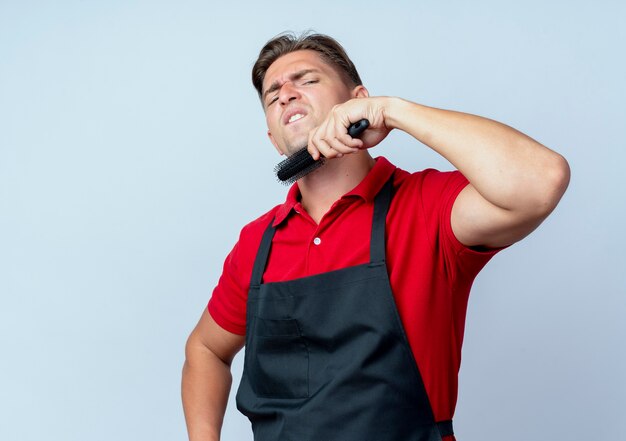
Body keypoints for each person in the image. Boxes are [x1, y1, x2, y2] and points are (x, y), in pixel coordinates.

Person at [181, 32, 570, 441]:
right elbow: (205, 349)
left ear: (357, 100)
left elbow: (541, 181)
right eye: (272, 93)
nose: (285, 94)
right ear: (272, 138)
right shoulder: (257, 243)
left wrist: (393, 111)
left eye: (306, 80)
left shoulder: (427, 207)